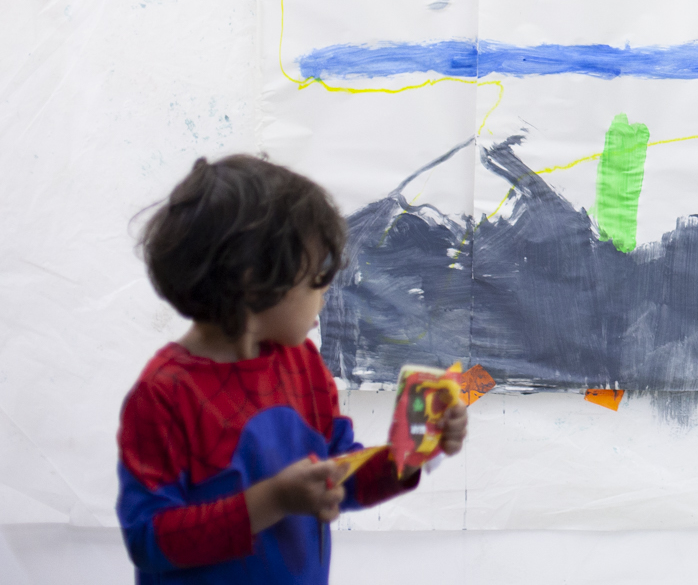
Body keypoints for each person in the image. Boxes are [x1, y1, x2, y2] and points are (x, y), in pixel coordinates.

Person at [119, 155, 467, 583]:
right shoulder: (163, 394)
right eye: (318, 275)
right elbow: (148, 540)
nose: (327, 292)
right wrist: (274, 500)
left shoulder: (303, 364)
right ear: (254, 279)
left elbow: (341, 477)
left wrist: (412, 450)